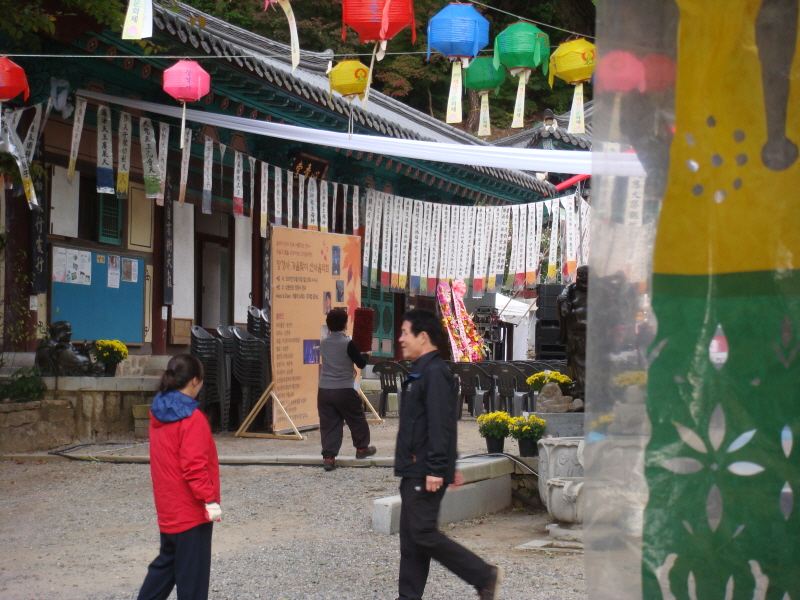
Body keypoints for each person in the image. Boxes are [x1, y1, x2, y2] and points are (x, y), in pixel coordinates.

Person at [395, 309, 502, 600]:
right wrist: (448, 464)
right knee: (412, 539)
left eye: (405, 333)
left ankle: (483, 575)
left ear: (422, 336)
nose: (401, 339)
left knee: (422, 533)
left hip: (423, 470)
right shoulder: (421, 370)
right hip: (415, 468)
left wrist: (437, 467)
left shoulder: (434, 372)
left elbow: (441, 422)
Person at [137, 354, 221, 600]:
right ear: (195, 381)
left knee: (165, 568)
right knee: (193, 580)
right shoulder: (192, 419)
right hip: (191, 510)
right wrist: (209, 500)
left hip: (168, 506)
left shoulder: (158, 412)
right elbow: (194, 467)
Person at [318, 307, 376, 471]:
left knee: (329, 423)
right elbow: (361, 364)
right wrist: (366, 354)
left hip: (324, 390)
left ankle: (329, 457)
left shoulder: (323, 342)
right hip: (344, 388)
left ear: (328, 324)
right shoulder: (348, 343)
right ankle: (361, 448)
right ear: (345, 324)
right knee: (356, 418)